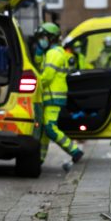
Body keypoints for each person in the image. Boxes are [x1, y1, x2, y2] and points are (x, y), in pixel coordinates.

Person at [35, 23, 84, 166]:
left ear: (51, 38)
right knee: (44, 130)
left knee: (50, 128)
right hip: (51, 97)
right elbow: (41, 67)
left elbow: (47, 76)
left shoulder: (54, 54)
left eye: (43, 38)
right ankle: (40, 159)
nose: (41, 41)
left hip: (53, 97)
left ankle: (75, 151)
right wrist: (38, 55)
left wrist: (34, 85)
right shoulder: (51, 53)